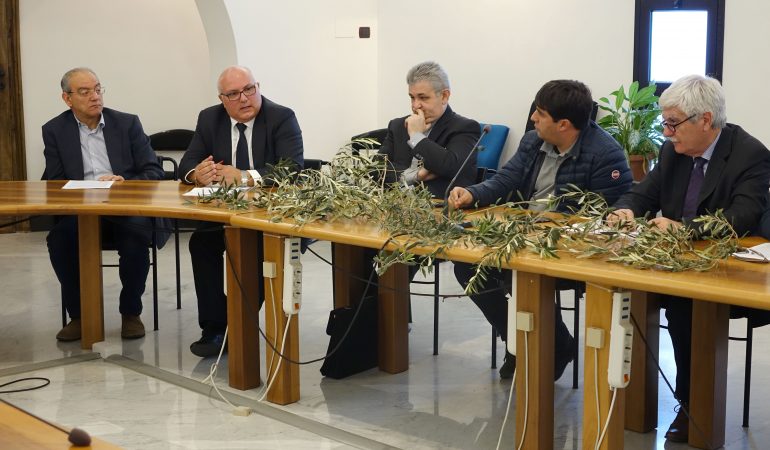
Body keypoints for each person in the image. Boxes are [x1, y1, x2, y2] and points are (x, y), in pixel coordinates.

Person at [608, 74, 770, 442]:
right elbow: (642, 193)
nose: (666, 133)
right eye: (664, 123)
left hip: (727, 272)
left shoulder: (750, 153)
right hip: (673, 264)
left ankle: (692, 403)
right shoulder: (673, 152)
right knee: (623, 285)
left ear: (706, 120)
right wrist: (625, 212)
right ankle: (630, 398)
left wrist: (684, 228)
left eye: (673, 123)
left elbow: (742, 216)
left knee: (684, 305)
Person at [448, 80, 633, 380]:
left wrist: (544, 230)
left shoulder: (605, 155)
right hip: (525, 235)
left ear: (563, 124)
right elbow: (506, 179)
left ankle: (539, 345)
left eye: (540, 113)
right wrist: (473, 193)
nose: (532, 117)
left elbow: (603, 215)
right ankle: (524, 340)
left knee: (515, 271)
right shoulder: (533, 141)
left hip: (567, 248)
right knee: (467, 266)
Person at [179, 65, 304, 358]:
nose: (244, 99)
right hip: (224, 215)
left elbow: (292, 168)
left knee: (260, 249)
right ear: (222, 99)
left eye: (249, 89)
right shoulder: (209, 118)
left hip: (272, 219)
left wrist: (246, 177)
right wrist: (198, 174)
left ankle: (236, 324)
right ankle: (214, 326)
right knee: (201, 244)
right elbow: (187, 164)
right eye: (234, 94)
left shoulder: (281, 117)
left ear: (258, 87)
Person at [44, 67, 164, 341]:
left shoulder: (127, 123)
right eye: (84, 92)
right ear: (67, 98)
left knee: (135, 235)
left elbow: (153, 171)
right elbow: (55, 181)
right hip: (82, 211)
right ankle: (80, 315)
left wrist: (125, 181)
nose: (94, 97)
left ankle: (130, 312)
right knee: (59, 240)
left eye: (98, 89)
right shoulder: (54, 130)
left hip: (123, 210)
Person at [377, 61, 480, 198]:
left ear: (444, 96)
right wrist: (415, 175)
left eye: (423, 98)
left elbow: (450, 167)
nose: (415, 106)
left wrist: (416, 136)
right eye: (412, 98)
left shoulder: (465, 128)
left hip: (439, 211)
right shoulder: (397, 125)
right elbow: (376, 169)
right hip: (395, 208)